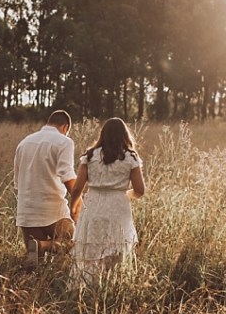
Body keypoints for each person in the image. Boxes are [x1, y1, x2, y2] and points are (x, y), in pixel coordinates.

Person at [68, 117, 145, 286]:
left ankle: (85, 287)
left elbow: (77, 188)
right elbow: (140, 190)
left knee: (90, 252)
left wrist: (73, 207)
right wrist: (125, 195)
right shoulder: (130, 157)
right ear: (125, 135)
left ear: (102, 134)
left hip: (93, 205)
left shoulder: (90, 156)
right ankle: (111, 286)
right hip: (118, 207)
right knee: (116, 250)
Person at [13, 110, 79, 270]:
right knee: (73, 241)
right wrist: (78, 203)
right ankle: (44, 245)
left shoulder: (24, 143)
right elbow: (67, 174)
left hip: (27, 212)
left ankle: (38, 248)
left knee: (35, 266)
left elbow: (17, 182)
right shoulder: (64, 142)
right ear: (65, 127)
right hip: (53, 211)